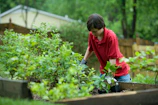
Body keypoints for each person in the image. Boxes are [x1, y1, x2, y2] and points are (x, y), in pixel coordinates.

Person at [81, 13, 131, 82]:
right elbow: (90, 48)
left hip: (119, 71)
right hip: (105, 71)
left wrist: (110, 76)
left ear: (101, 27)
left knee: (127, 90)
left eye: (95, 31)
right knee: (100, 89)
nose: (93, 33)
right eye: (91, 31)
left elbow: (112, 58)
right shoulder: (92, 35)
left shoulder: (110, 36)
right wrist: (83, 61)